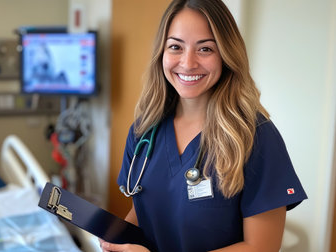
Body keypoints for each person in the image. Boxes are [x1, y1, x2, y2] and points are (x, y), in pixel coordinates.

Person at [100, 0, 307, 251]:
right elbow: (144, 206)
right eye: (176, 46)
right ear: (161, 53)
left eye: (205, 49)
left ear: (226, 54)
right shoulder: (144, 131)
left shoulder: (255, 135)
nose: (188, 63)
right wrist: (119, 239)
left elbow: (262, 247)